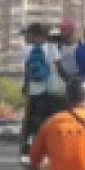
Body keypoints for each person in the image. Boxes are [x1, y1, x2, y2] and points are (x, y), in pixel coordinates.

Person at [22, 23, 65, 153]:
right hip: (51, 90)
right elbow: (59, 68)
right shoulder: (52, 48)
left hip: (34, 91)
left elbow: (27, 70)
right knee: (50, 118)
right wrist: (67, 80)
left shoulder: (27, 50)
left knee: (34, 117)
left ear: (35, 35)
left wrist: (25, 87)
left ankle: (32, 142)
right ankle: (51, 143)